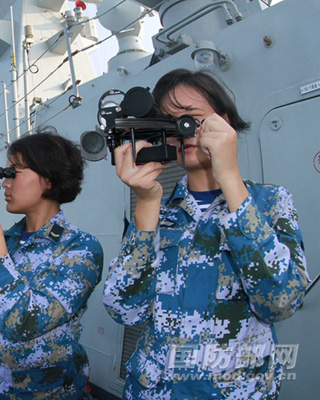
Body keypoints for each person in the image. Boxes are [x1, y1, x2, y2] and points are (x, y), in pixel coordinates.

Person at [103, 68, 309, 399]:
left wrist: (229, 179)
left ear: (225, 122)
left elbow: (280, 303)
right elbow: (123, 309)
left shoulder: (269, 203)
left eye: (192, 119)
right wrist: (146, 202)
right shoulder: (158, 212)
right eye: (170, 123)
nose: (183, 132)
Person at [0, 131, 104, 399]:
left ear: (48, 179)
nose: (6, 183)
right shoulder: (3, 243)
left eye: (14, 172)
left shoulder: (79, 249)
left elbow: (24, 322)